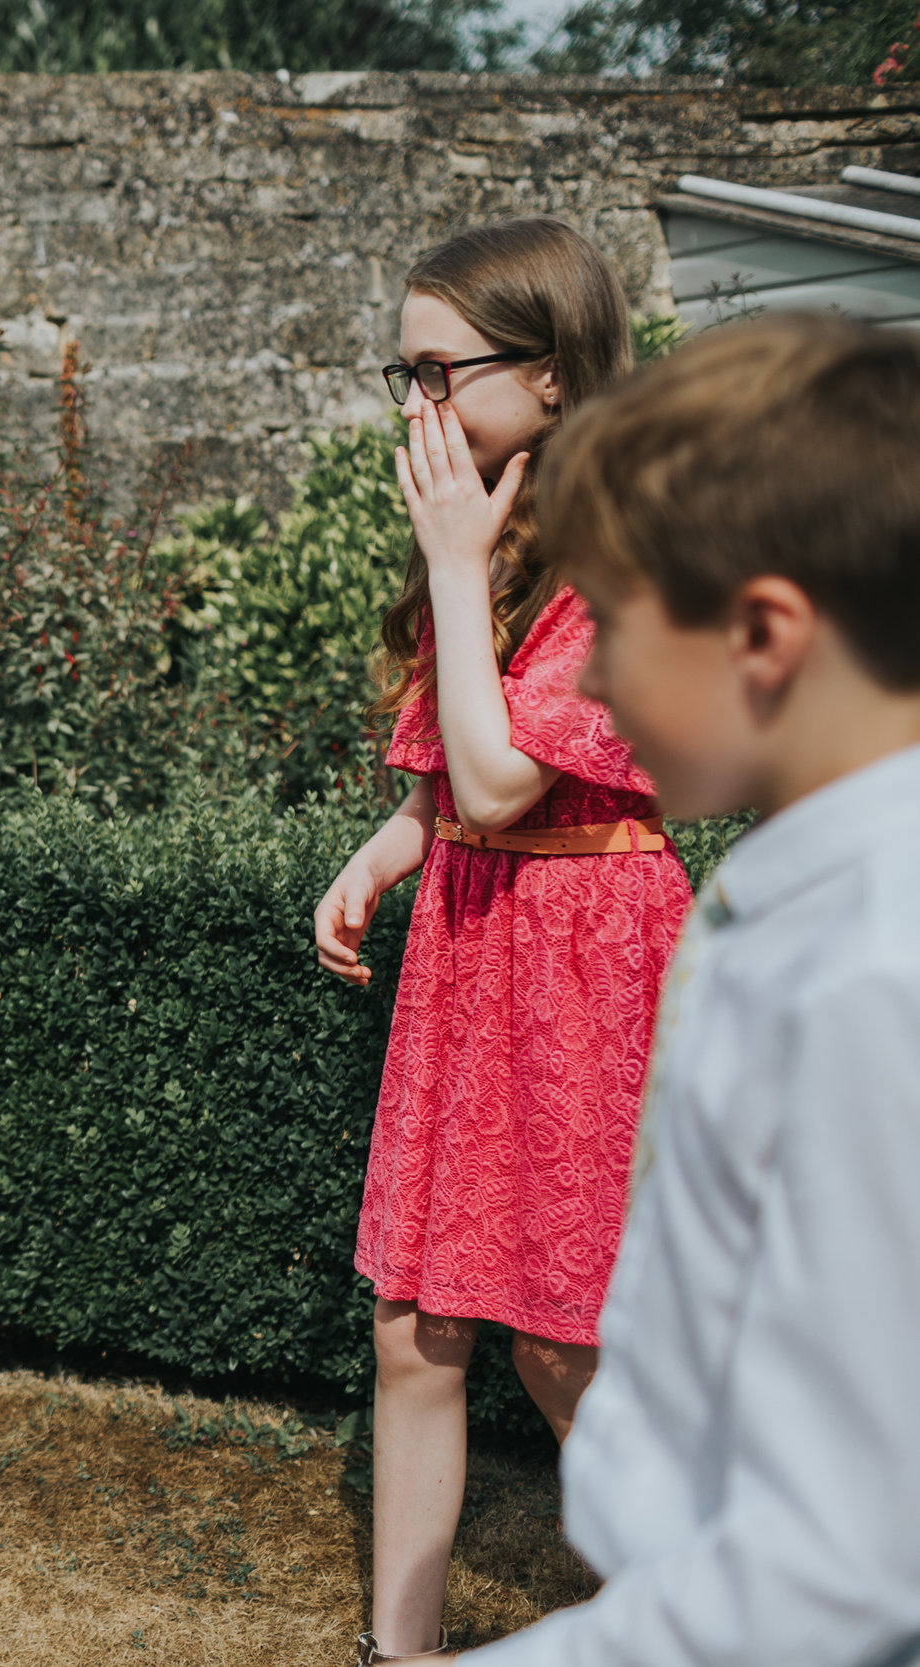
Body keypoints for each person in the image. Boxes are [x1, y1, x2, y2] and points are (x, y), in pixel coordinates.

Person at [449, 315, 920, 1662]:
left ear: (761, 633)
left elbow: (842, 1568)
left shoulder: (873, 973)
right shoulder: (802, 897)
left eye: (617, 620)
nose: (590, 672)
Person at [309, 217, 693, 1664]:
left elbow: (507, 777)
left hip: (590, 960)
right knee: (417, 1328)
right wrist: (390, 847)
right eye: (399, 373)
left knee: (563, 1337)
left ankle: (698, 1609)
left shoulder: (624, 551)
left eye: (438, 371)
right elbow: (456, 786)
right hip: (479, 948)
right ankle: (396, 1653)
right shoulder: (488, 537)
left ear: (549, 375)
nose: (414, 405)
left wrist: (457, 566)